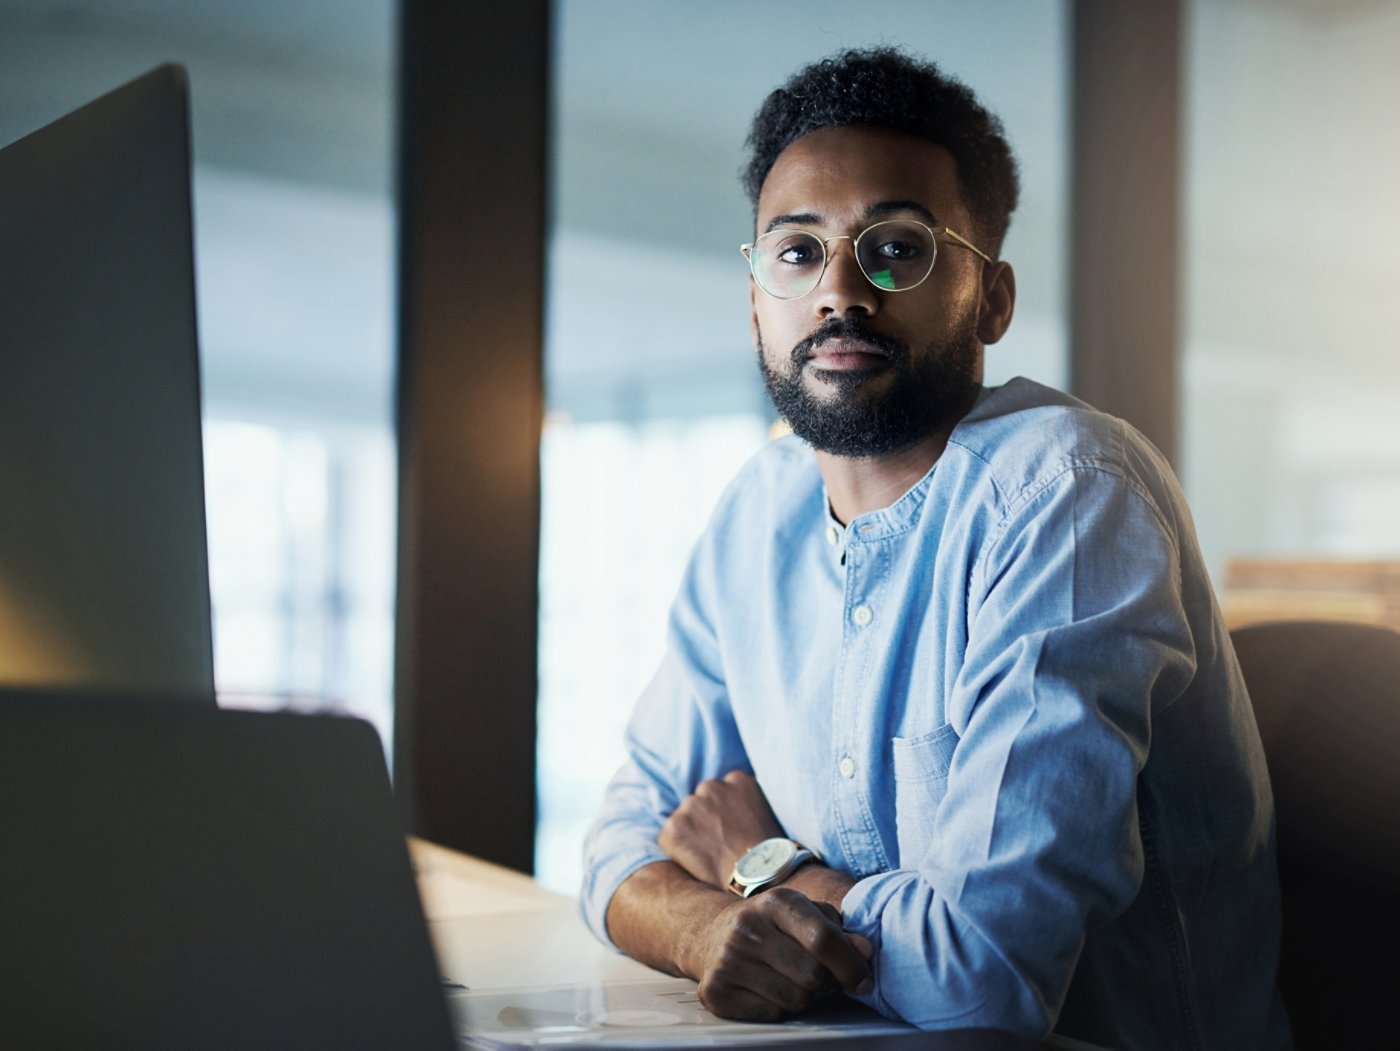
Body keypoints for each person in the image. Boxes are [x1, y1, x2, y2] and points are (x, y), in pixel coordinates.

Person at [580, 46, 1290, 1048]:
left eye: (896, 248)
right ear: (754, 302)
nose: (839, 292)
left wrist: (760, 866)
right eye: (795, 252)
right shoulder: (755, 511)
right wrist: (703, 930)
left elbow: (982, 974)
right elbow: (616, 847)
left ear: (989, 299)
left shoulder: (1066, 492)